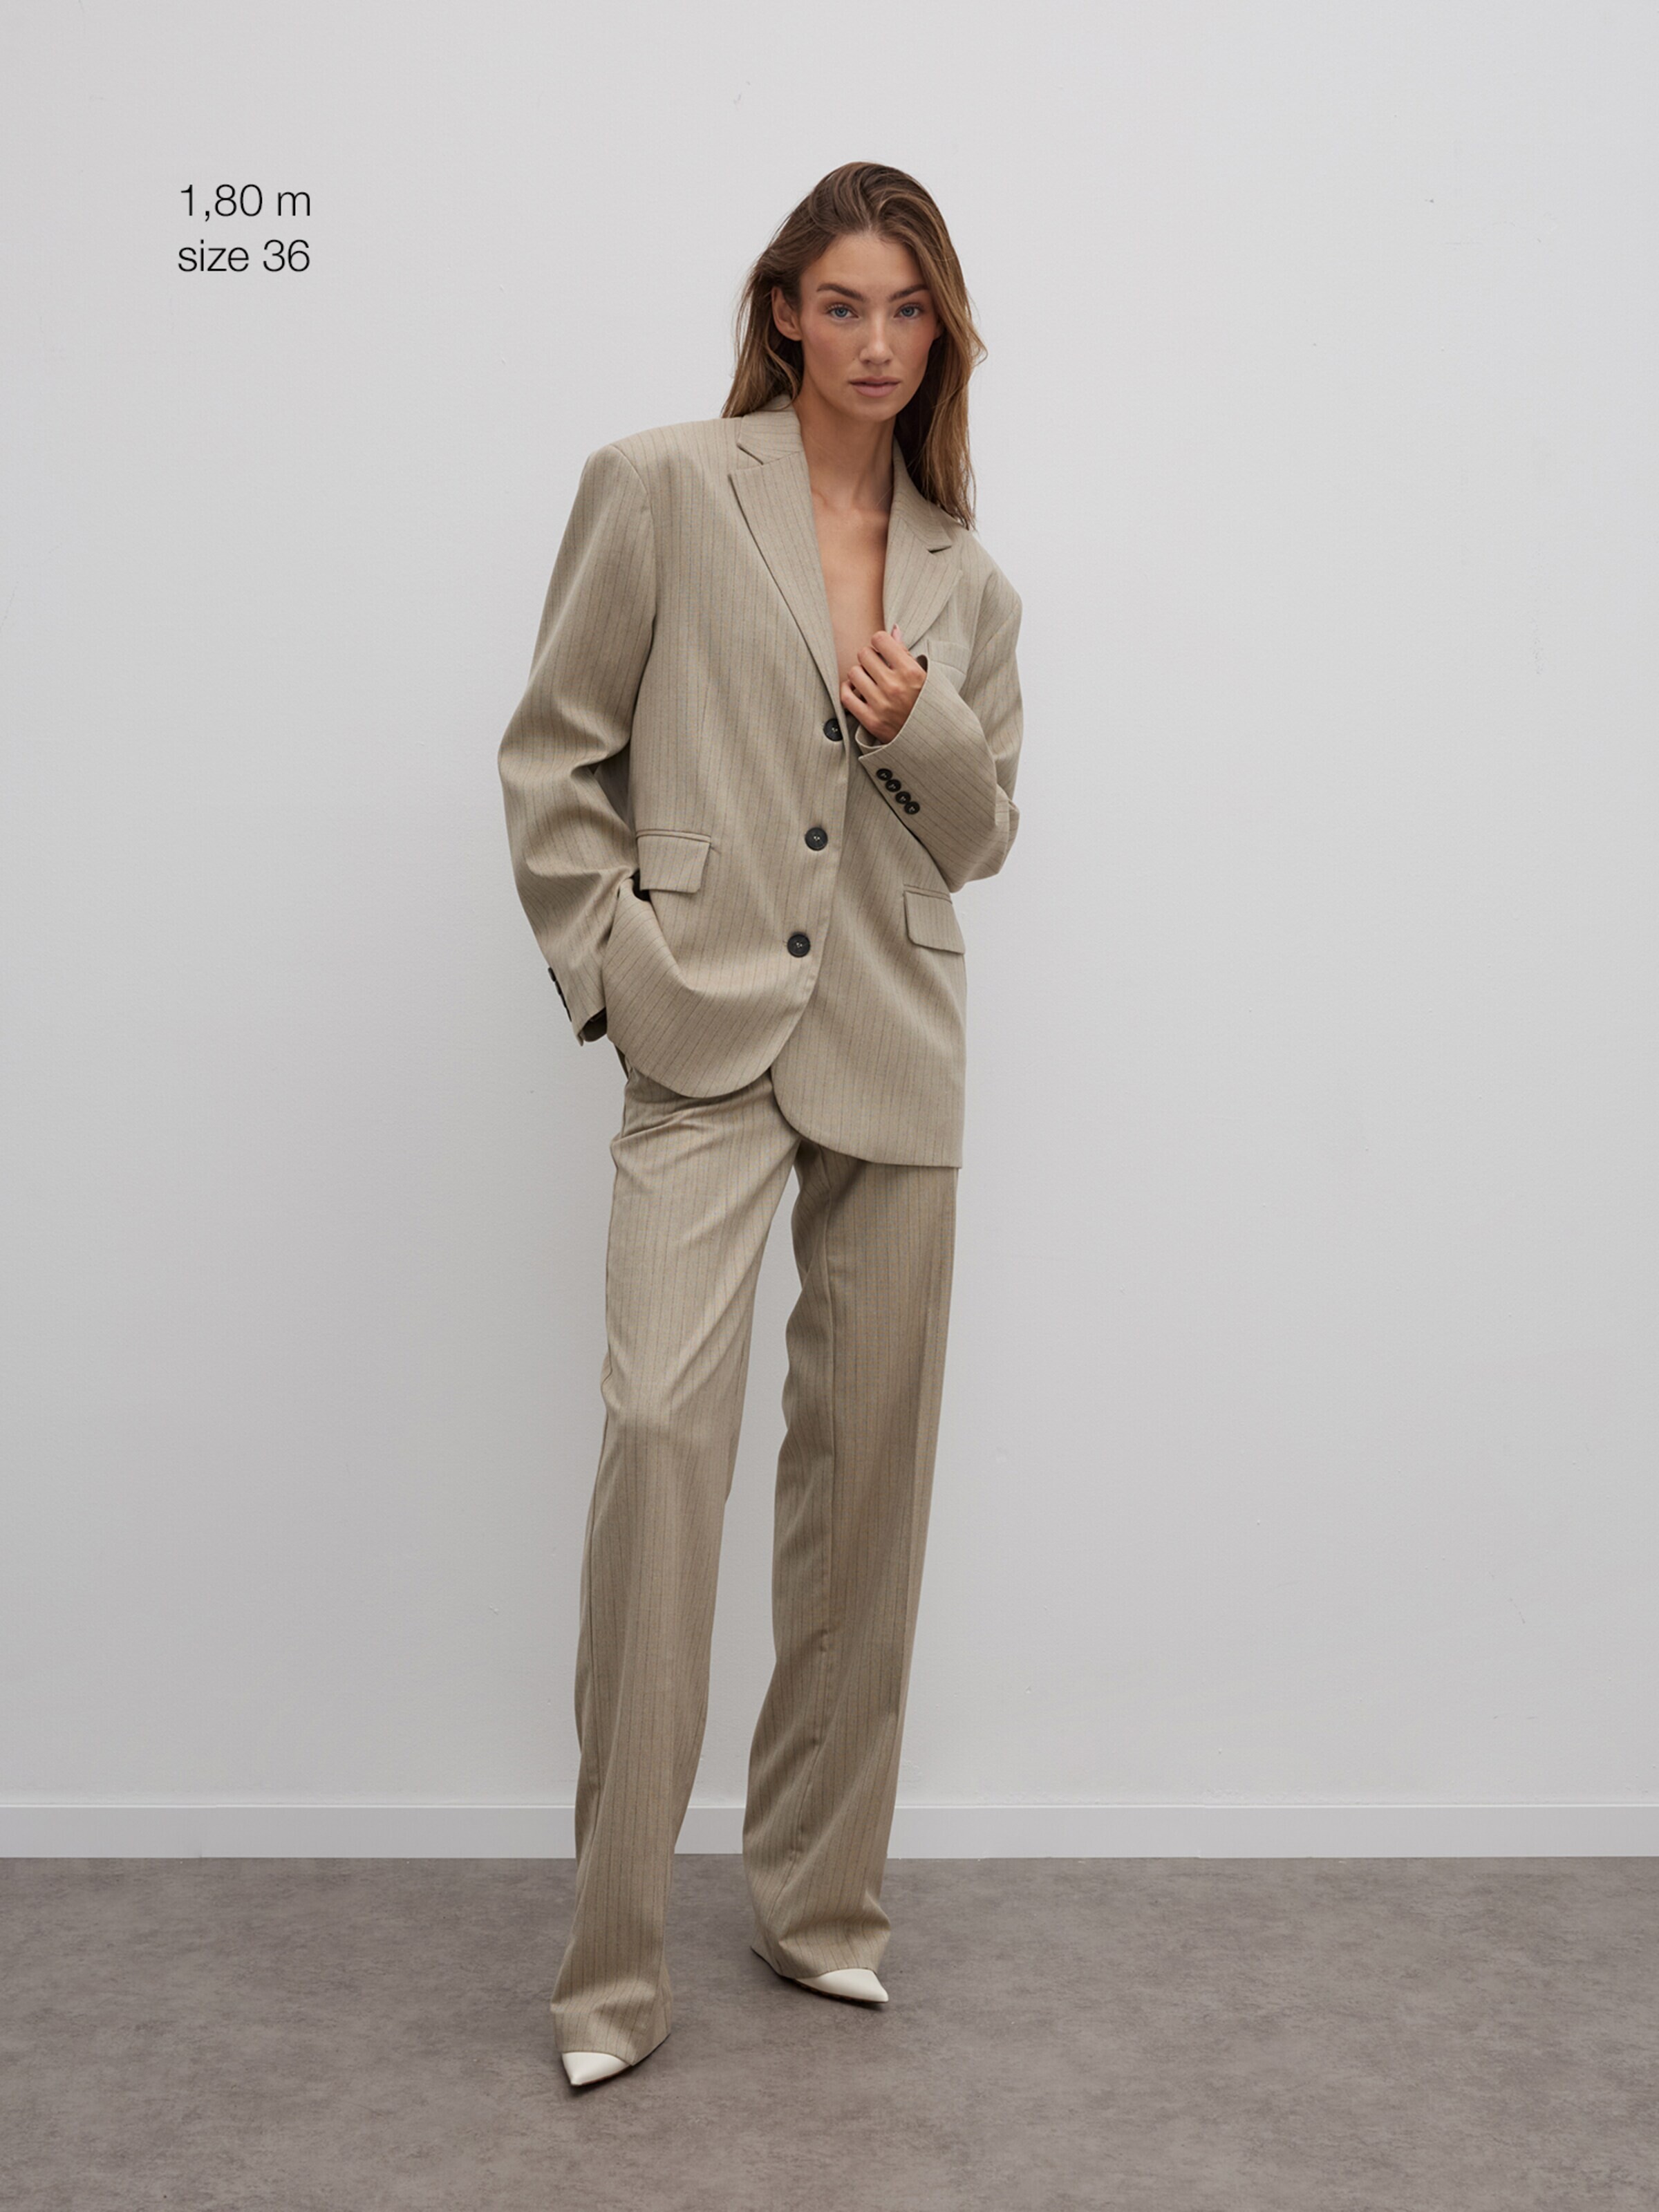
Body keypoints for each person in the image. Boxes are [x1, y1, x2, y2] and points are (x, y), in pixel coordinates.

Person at [496, 160, 1024, 2086]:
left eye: (911, 311)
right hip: (700, 1032)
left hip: (895, 1034)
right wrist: (614, 966)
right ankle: (611, 1970)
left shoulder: (971, 574)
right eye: (845, 304)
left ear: (940, 333)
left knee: (865, 1490)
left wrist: (918, 724)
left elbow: (982, 834)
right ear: (787, 309)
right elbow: (554, 749)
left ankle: (820, 1908)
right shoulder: (662, 485)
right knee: (659, 1443)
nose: (878, 343)